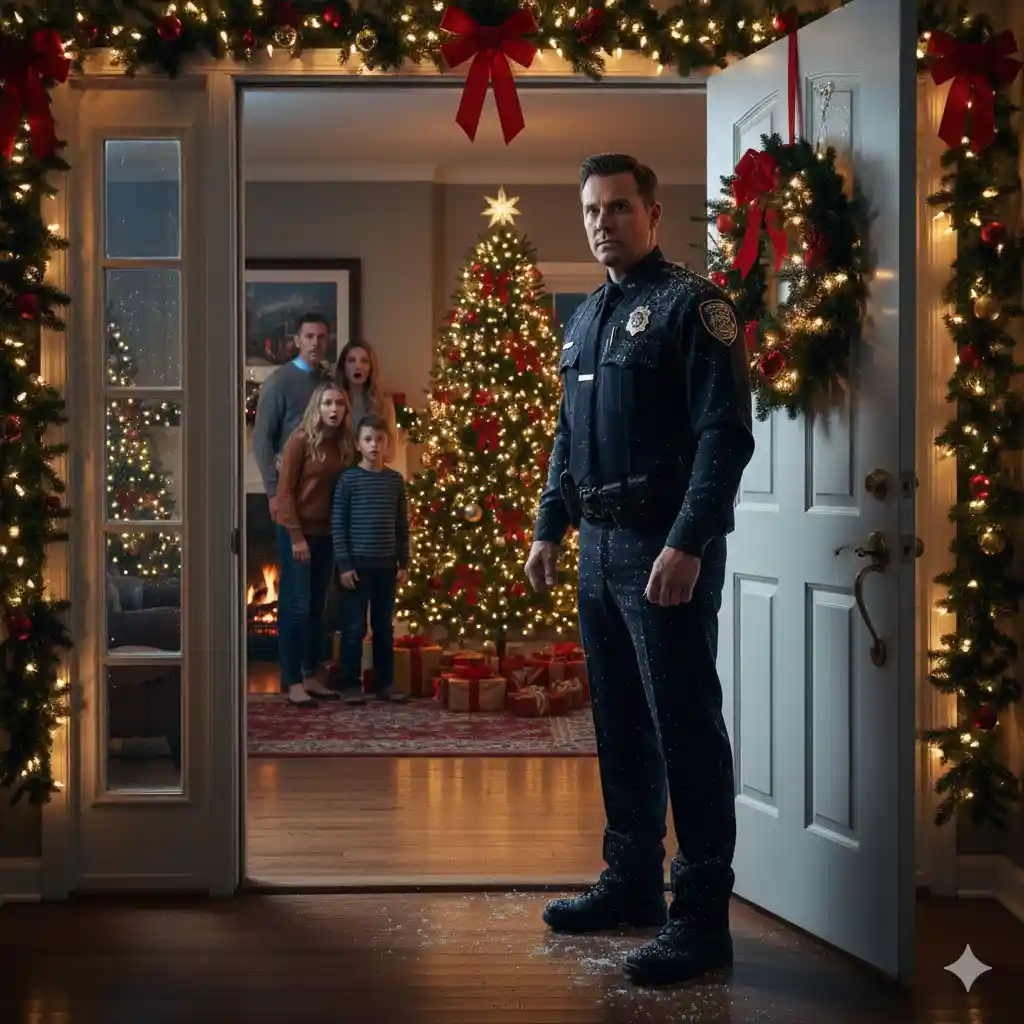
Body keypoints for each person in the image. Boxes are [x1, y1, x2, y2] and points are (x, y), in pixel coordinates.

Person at [524, 153, 755, 987]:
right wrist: (550, 527)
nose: (602, 222)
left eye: (619, 207)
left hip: (664, 552)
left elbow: (725, 437)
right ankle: (630, 887)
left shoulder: (695, 308)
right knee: (619, 723)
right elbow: (566, 438)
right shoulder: (585, 317)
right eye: (591, 209)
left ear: (653, 214)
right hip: (597, 551)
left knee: (684, 727)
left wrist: (689, 543)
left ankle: (701, 921)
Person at [275, 382, 354, 707]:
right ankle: (292, 681)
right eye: (327, 404)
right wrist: (296, 536)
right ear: (316, 408)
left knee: (316, 610)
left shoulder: (344, 445)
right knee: (296, 608)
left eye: (339, 403)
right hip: (297, 534)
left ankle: (309, 675)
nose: (333, 409)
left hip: (327, 535)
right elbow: (285, 492)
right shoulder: (300, 441)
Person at [331, 413, 410, 705]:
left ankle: (384, 684)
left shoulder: (394, 481)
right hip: (356, 568)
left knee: (383, 628)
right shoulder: (348, 480)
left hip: (386, 567)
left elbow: (402, 524)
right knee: (353, 628)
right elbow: (338, 524)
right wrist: (344, 565)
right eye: (368, 439)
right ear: (358, 444)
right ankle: (350, 684)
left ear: (386, 443)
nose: (374, 445)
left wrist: (404, 562)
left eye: (379, 439)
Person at [252, 312, 333, 520]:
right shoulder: (279, 382)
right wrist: (273, 491)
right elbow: (262, 439)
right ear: (297, 340)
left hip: (324, 488)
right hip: (290, 486)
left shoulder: (329, 381)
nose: (316, 343)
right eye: (309, 336)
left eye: (321, 337)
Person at [335, 340, 399, 463]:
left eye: (364, 361)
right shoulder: (334, 401)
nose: (358, 366)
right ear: (343, 366)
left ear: (371, 368)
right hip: (338, 472)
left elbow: (390, 454)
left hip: (369, 473)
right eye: (351, 360)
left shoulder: (383, 403)